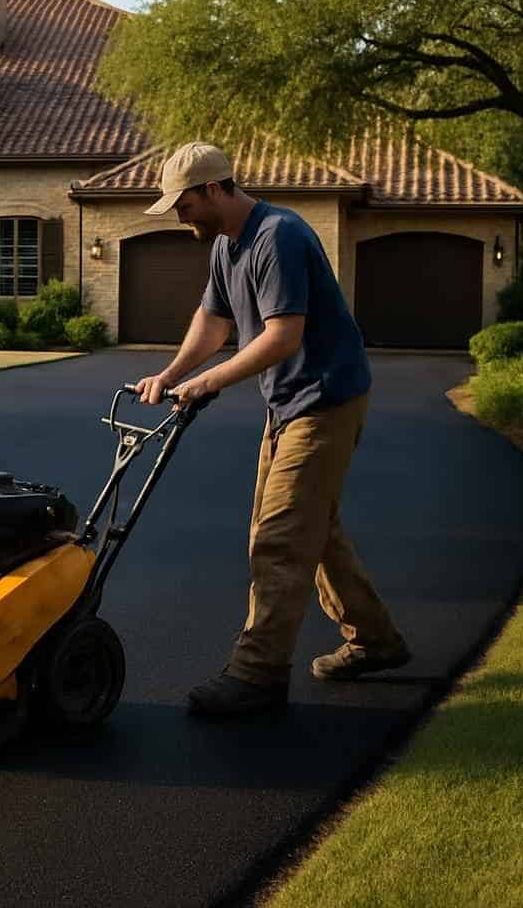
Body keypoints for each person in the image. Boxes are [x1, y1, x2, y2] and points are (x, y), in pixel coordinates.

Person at [135, 141, 410, 717]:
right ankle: (376, 641)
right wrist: (171, 373)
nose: (178, 216)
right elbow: (213, 321)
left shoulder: (279, 236)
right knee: (315, 530)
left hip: (325, 399)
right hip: (287, 402)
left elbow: (283, 335)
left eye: (182, 204)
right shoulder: (227, 246)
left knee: (281, 536)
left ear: (214, 190)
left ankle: (257, 675)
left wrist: (208, 383)